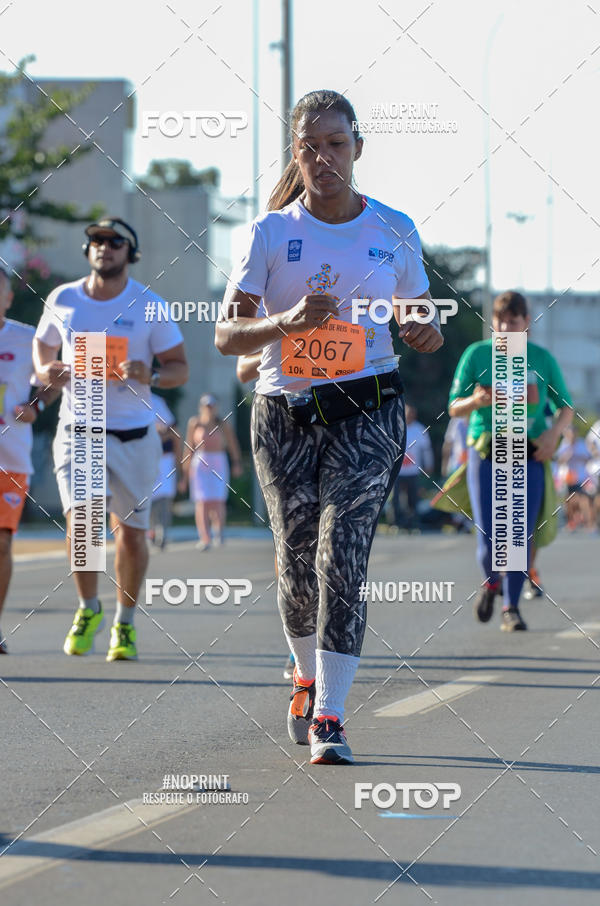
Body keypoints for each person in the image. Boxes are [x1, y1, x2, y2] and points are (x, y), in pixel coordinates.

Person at [215, 89, 443, 765]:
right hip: (285, 413)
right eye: (309, 146)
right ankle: (306, 676)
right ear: (297, 153)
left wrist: (422, 333)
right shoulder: (268, 234)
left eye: (336, 144)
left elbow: (422, 318)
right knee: (296, 561)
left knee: (341, 554)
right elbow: (228, 333)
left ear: (358, 149)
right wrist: (285, 324)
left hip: (369, 409)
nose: (323, 158)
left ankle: (332, 715)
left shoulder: (394, 229)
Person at [33, 218, 188, 660]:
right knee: (82, 523)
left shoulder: (150, 304)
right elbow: (43, 349)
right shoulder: (63, 299)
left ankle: (124, 622)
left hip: (133, 436)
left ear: (130, 252)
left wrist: (151, 373)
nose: (104, 247)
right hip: (78, 429)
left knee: (132, 535)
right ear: (88, 251)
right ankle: (87, 608)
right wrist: (47, 370)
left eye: (115, 241)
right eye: (97, 241)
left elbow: (180, 367)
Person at [448, 290, 573, 631]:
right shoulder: (476, 355)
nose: (504, 328)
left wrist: (552, 435)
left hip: (527, 453)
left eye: (512, 323)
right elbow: (453, 407)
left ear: (526, 324)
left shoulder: (541, 359)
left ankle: (511, 608)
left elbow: (567, 408)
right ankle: (491, 582)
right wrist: (475, 400)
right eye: (500, 322)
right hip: (486, 452)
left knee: (519, 534)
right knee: (489, 537)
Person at [0, 267, 59, 653]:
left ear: (8, 298)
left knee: (2, 544)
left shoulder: (25, 338)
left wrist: (36, 407)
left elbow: (54, 376)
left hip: (10, 459)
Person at [183, 394, 243, 550]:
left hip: (218, 463)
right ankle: (205, 537)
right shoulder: (194, 423)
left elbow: (232, 444)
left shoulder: (223, 424)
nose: (209, 409)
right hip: (200, 464)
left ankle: (219, 532)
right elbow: (189, 447)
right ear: (201, 407)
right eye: (206, 406)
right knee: (202, 501)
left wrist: (236, 463)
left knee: (217, 500)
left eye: (211, 406)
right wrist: (185, 471)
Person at [390, 404, 433, 531]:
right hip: (397, 471)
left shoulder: (420, 429)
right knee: (395, 499)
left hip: (413, 471)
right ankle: (396, 523)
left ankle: (413, 523)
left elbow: (426, 450)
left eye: (412, 413)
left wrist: (429, 464)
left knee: (413, 498)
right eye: (408, 413)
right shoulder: (396, 427)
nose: (410, 416)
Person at [149, 392, 183, 550]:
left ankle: (162, 531)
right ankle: (151, 531)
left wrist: (178, 463)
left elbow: (175, 433)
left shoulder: (156, 401)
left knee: (164, 497)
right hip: (143, 460)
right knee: (148, 498)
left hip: (164, 459)